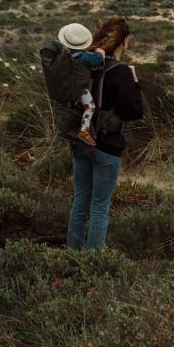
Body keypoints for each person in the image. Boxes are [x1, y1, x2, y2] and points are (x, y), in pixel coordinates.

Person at [65, 16, 143, 250]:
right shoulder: (121, 74)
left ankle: (72, 254)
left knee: (80, 200)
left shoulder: (86, 65)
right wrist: (136, 83)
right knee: (99, 206)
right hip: (107, 146)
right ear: (125, 42)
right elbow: (134, 112)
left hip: (80, 141)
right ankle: (93, 264)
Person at [57, 22, 107, 146]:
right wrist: (101, 51)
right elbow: (97, 60)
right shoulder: (83, 57)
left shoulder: (63, 55)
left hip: (65, 87)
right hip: (79, 89)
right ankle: (84, 131)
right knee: (90, 107)